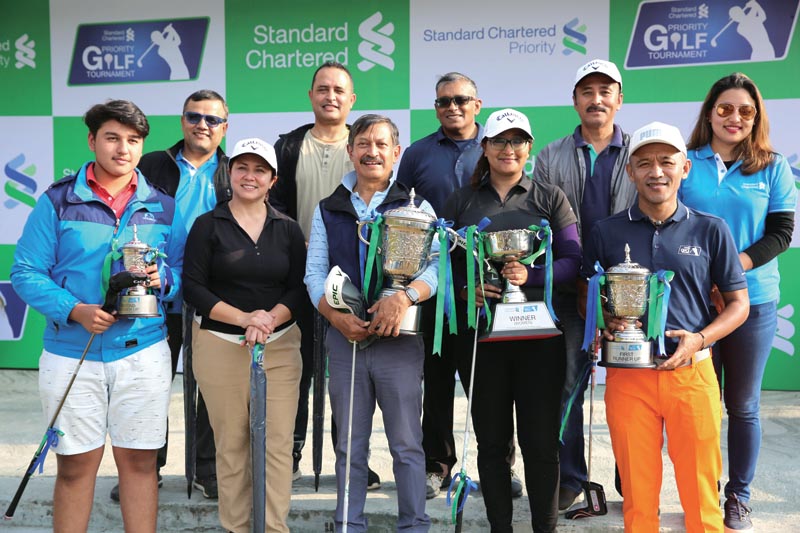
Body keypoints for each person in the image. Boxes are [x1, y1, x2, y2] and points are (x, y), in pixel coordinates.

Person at [11, 99, 184, 532]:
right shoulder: (57, 200)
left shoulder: (161, 205)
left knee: (141, 464)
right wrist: (76, 310)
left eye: (133, 140)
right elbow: (25, 273)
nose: (122, 148)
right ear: (92, 141)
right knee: (74, 467)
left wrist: (163, 281)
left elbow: (181, 274)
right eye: (112, 137)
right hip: (71, 353)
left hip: (142, 352)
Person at [583, 121, 750, 532]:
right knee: (638, 498)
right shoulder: (606, 232)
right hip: (627, 376)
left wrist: (700, 339)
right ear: (631, 172)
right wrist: (604, 326)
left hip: (692, 375)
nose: (656, 171)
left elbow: (738, 305)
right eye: (644, 164)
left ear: (684, 168)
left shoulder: (711, 229)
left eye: (666, 161)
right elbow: (590, 301)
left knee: (701, 496)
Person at [441, 108, 581, 532]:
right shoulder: (461, 201)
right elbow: (442, 267)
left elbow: (575, 259)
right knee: (492, 443)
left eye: (517, 141)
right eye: (499, 140)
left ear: (529, 148)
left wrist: (532, 275)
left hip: (540, 337)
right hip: (482, 338)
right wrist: (466, 291)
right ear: (485, 147)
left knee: (540, 443)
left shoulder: (550, 197)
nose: (508, 149)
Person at [304, 114, 436, 532]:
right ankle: (348, 525)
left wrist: (404, 298)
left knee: (407, 445)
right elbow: (313, 273)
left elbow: (436, 268)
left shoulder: (417, 207)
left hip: (399, 340)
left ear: (396, 153)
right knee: (349, 446)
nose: (372, 151)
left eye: (382, 144)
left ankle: (414, 525)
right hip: (347, 343)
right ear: (350, 150)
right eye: (363, 143)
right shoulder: (329, 208)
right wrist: (336, 319)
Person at [680, 72, 796, 532]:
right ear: (710, 112)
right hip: (695, 302)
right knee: (700, 404)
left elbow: (781, 234)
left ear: (756, 117)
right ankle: (703, 494)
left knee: (743, 405)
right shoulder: (686, 162)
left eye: (745, 111)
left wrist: (732, 268)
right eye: (725, 108)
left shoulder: (772, 165)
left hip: (755, 301)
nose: (734, 117)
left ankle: (739, 497)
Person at [183, 137, 306, 533]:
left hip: (279, 344)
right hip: (220, 344)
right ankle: (236, 528)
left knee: (276, 445)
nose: (249, 176)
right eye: (242, 167)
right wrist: (245, 319)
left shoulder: (287, 228)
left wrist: (267, 319)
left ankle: (274, 529)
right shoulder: (207, 225)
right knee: (232, 445)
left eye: (259, 170)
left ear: (273, 179)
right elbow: (194, 288)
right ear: (230, 173)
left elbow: (299, 289)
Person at [532, 58, 636, 511]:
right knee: (567, 387)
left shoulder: (640, 151)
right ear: (575, 100)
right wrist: (570, 277)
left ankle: (632, 476)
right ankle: (569, 477)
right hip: (566, 290)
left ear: (618, 99)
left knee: (633, 387)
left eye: (605, 91)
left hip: (630, 296)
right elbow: (540, 227)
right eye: (587, 91)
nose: (596, 99)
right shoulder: (550, 155)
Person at [272, 60, 381, 489]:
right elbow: (273, 207)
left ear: (351, 99)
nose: (330, 96)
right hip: (297, 278)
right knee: (297, 371)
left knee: (350, 374)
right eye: (322, 88)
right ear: (311, 95)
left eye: (339, 89)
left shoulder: (366, 147)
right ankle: (291, 453)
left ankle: (352, 459)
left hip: (356, 281)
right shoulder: (288, 146)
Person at [117, 89, 230, 501]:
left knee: (213, 387)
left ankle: (206, 469)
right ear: (182, 121)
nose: (203, 124)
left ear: (224, 128)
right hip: (154, 292)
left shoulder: (233, 171)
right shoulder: (152, 165)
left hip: (211, 294)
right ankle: (147, 469)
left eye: (212, 119)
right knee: (150, 385)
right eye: (194, 116)